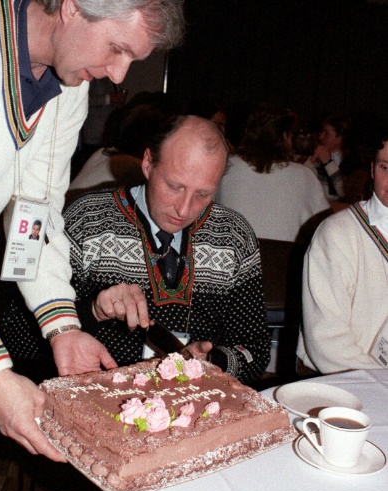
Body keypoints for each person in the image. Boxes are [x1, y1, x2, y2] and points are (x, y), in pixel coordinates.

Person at [0, 0, 184, 491]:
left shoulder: (67, 84)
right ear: (71, 7)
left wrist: (61, 325)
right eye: (117, 48)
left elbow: (36, 215)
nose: (119, 75)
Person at [63, 116, 271, 384]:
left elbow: (255, 348)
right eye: (175, 187)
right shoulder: (87, 220)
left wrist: (211, 363)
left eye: (203, 194)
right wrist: (93, 311)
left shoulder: (233, 235)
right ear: (148, 163)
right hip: (98, 400)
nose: (184, 210)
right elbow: (21, 337)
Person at [296, 135, 388, 374]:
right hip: (344, 379)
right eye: (385, 167)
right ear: (372, 169)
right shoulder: (337, 234)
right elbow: (327, 343)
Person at [216, 103, 330, 243]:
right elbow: (325, 227)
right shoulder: (305, 176)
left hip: (229, 259)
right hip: (284, 263)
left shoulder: (224, 166)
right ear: (284, 136)